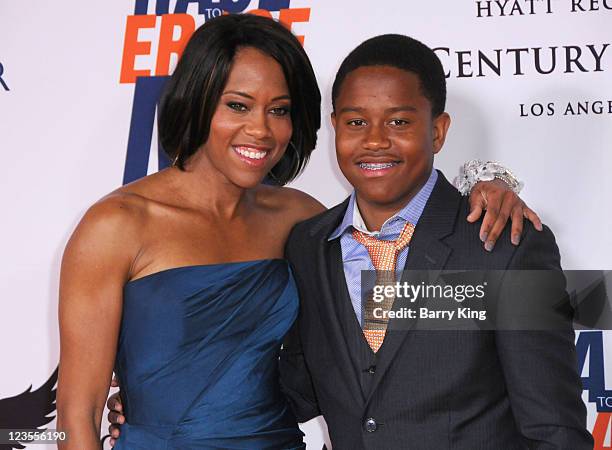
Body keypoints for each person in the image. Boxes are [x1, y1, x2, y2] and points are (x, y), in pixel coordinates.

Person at [68, 15, 538, 449]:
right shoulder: (117, 225)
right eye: (238, 105)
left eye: (279, 110)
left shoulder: (300, 219)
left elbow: (402, 311)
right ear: (196, 101)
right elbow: (77, 411)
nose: (260, 130)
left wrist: (487, 180)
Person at [277, 35, 593, 449]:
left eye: (399, 122)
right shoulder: (307, 245)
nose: (374, 140)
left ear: (438, 131)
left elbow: (555, 432)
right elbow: (301, 392)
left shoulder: (506, 245)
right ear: (335, 126)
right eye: (356, 122)